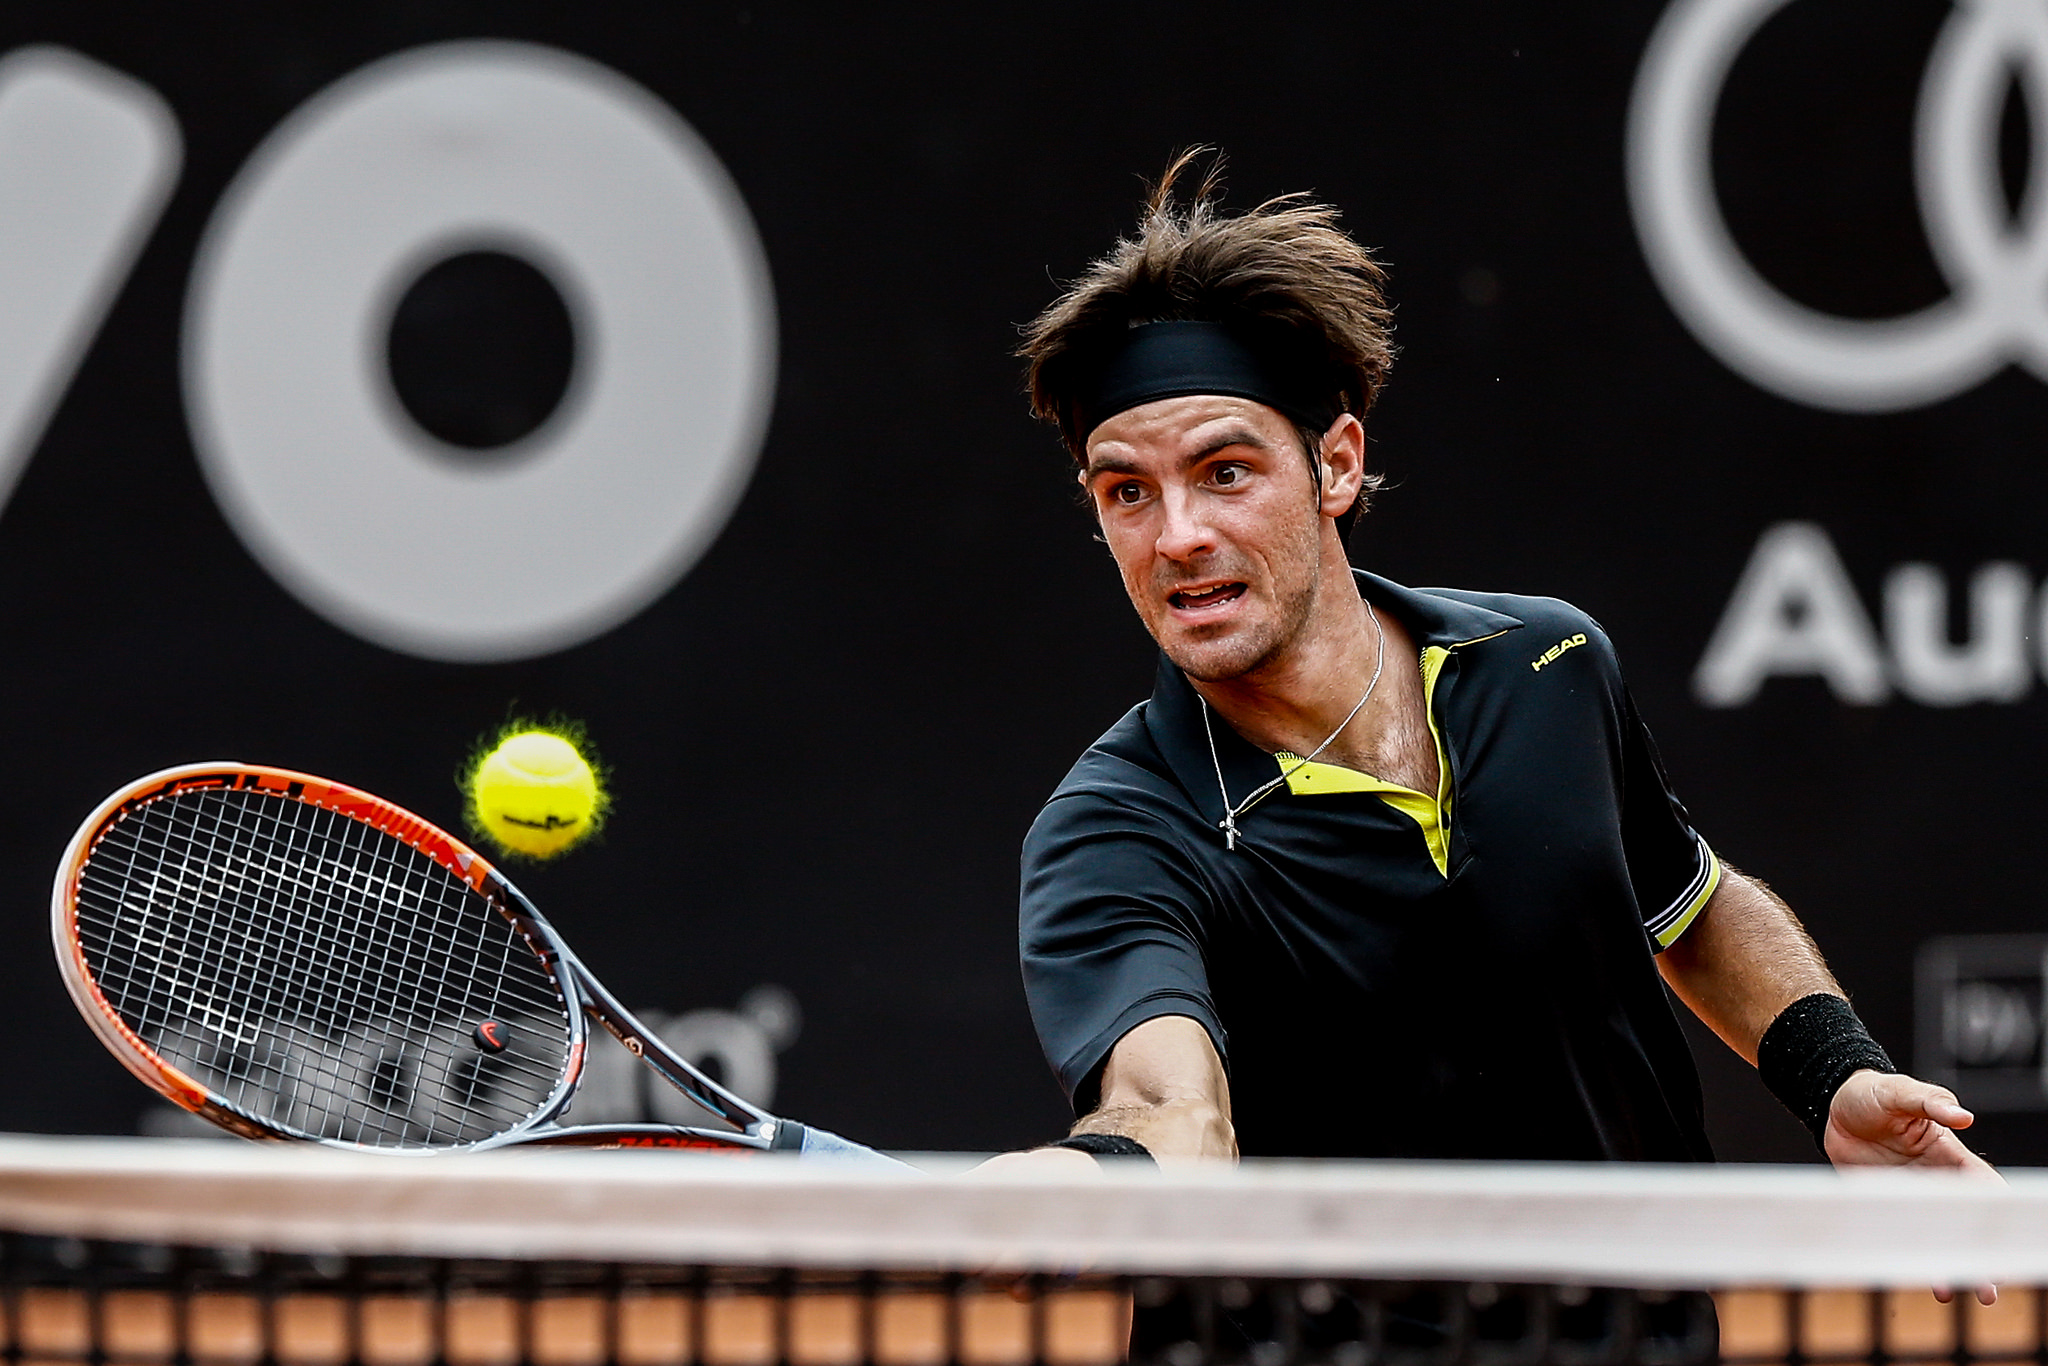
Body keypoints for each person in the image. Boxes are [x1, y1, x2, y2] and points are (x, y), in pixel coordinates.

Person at [991, 153, 1994, 1189]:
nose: (1177, 535)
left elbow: (1686, 903)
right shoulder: (1112, 830)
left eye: (1224, 472)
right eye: (1126, 493)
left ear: (1333, 464)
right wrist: (1094, 1175)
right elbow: (1170, 1105)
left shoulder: (1546, 664)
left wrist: (1832, 1071)